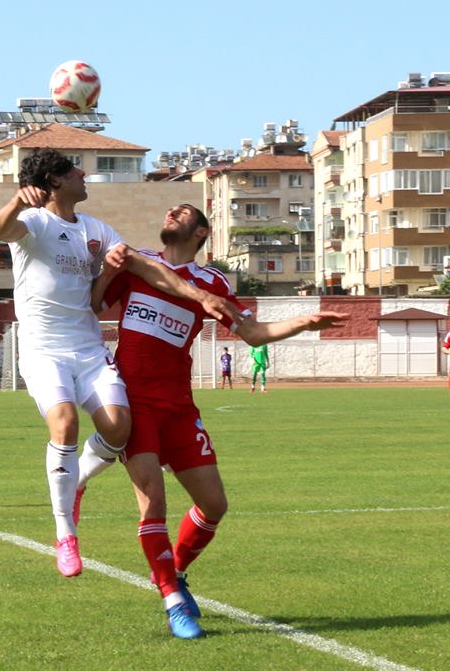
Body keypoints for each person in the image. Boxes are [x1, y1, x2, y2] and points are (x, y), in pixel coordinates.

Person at [81, 203, 348, 638]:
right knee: (154, 503)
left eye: (182, 211)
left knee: (215, 505)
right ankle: (172, 601)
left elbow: (254, 332)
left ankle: (176, 572)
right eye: (169, 209)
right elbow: (94, 304)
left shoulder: (213, 283)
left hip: (179, 407)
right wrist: (109, 270)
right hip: (135, 401)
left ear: (202, 232)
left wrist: (305, 320)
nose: (170, 211)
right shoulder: (138, 262)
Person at [0, 149, 236, 578]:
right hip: (43, 349)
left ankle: (78, 480)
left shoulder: (95, 229)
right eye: (74, 170)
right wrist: (15, 201)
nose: (85, 174)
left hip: (87, 347)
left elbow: (149, 268)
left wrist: (199, 295)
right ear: (55, 180)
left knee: (119, 428)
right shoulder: (33, 223)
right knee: (64, 423)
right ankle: (65, 534)